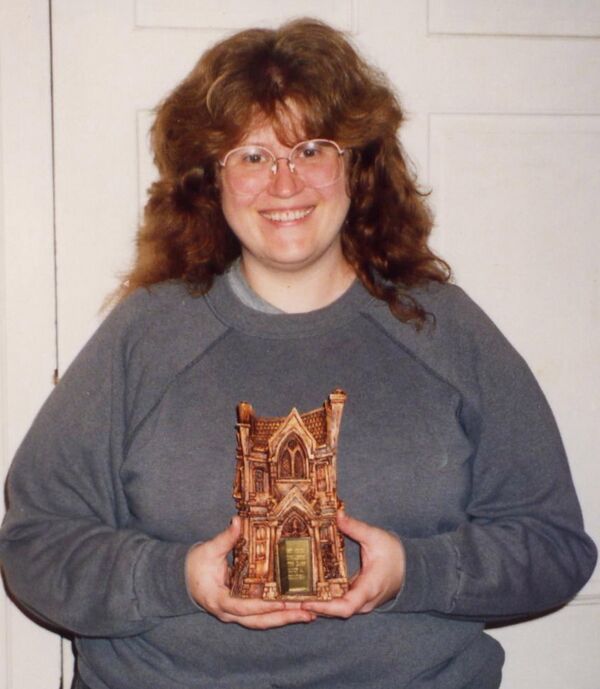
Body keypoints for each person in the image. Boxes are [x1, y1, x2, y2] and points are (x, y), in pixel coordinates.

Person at [0, 18, 596, 689]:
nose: (285, 184)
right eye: (252, 157)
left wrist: (417, 570)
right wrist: (175, 578)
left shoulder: (444, 329)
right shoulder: (145, 336)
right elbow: (35, 543)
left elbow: (554, 546)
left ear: (357, 167)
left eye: (312, 149)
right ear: (211, 179)